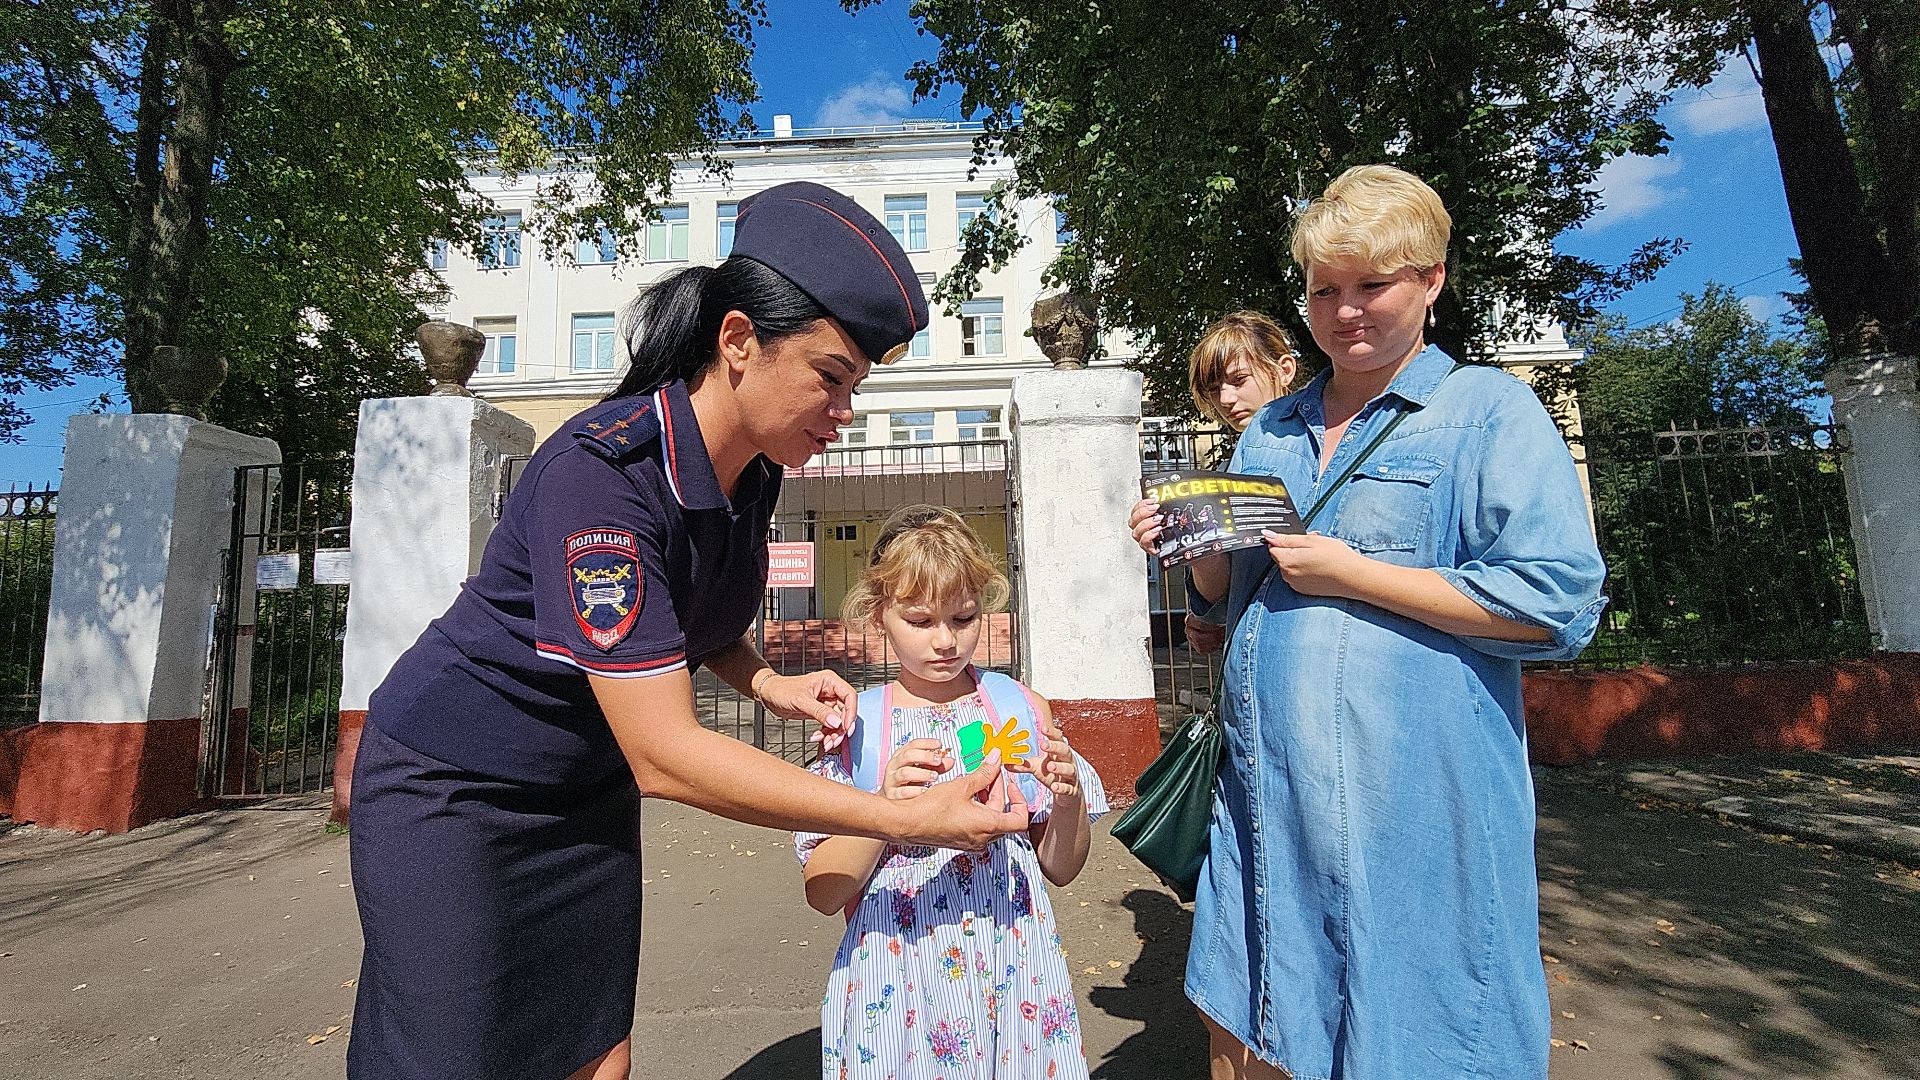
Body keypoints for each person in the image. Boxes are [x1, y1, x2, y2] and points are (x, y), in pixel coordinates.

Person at [347, 183, 1033, 1080]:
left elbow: (689, 616)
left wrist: (765, 681)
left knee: (594, 1054)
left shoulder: (752, 470)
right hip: (456, 791)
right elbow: (666, 754)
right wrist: (901, 817)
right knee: (454, 1058)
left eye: (855, 386)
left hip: (581, 795)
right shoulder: (602, 475)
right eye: (831, 377)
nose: (845, 410)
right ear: (739, 341)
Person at [1128, 165, 1606, 1080]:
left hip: (1414, 811)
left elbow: (1556, 603)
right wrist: (1187, 542)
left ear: (1430, 280)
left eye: (1371, 286)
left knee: (1418, 1030)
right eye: (1323, 290)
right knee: (1258, 1022)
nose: (1345, 311)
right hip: (1266, 803)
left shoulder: (1486, 414)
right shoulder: (1271, 430)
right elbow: (1231, 601)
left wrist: (1357, 573)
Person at [796, 504, 1108, 1080]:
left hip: (1015, 985)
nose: (945, 641)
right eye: (919, 620)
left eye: (963, 619)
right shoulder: (859, 729)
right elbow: (823, 890)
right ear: (877, 614)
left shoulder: (1017, 708)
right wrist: (884, 811)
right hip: (896, 994)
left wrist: (1067, 801)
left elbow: (1061, 867)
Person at [1182, 312, 1299, 653]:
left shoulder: (1325, 452)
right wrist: (1193, 546)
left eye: (1238, 380)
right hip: (1251, 665)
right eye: (1215, 388)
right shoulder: (1231, 467)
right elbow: (1221, 594)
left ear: (1284, 370)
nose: (1225, 399)